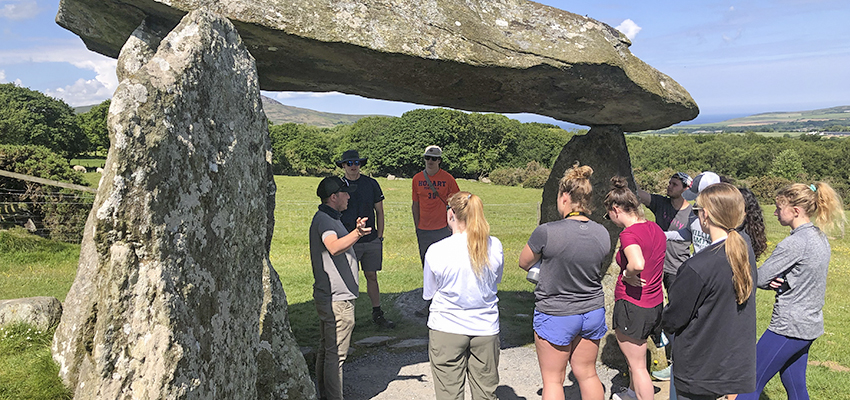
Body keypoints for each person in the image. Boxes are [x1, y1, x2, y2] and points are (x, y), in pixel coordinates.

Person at [737, 182, 846, 400]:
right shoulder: (819, 237)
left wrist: (772, 280)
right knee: (795, 386)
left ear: (795, 211)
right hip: (809, 326)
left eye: (779, 208)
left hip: (788, 327)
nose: (775, 213)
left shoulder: (794, 243)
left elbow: (760, 277)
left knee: (750, 384)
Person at [519, 163, 611, 400]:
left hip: (556, 313)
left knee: (553, 380)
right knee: (588, 374)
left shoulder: (546, 232)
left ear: (564, 197)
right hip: (591, 311)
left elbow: (524, 261)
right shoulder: (602, 232)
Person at [661, 183, 758, 400]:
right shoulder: (745, 251)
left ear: (705, 215)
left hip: (699, 366)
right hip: (730, 360)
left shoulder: (698, 266)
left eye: (697, 211)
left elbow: (674, 318)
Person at [423, 191, 504, 400]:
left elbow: (429, 292)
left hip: (446, 326)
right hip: (485, 327)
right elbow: (496, 280)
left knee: (449, 394)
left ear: (451, 215)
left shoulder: (436, 250)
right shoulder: (495, 246)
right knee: (486, 394)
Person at [604, 177, 667, 400]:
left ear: (615, 209)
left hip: (633, 306)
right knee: (637, 362)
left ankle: (640, 394)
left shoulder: (628, 234)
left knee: (638, 366)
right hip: (654, 303)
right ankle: (631, 393)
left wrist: (627, 274)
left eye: (608, 215)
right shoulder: (656, 229)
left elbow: (637, 263)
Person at [309, 176, 371, 400]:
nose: (348, 196)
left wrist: (354, 231)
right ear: (334, 197)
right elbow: (333, 247)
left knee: (327, 351)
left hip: (331, 297)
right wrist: (357, 234)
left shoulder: (326, 218)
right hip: (338, 300)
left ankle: (324, 395)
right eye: (345, 193)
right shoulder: (325, 221)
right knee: (336, 356)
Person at [638, 172, 694, 385]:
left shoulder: (692, 213)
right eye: (669, 183)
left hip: (677, 268)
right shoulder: (661, 203)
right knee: (652, 303)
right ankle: (658, 336)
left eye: (674, 184)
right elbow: (639, 195)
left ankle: (677, 357)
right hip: (655, 264)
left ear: (686, 189)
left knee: (678, 310)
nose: (669, 186)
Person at [336, 149, 394, 329]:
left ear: (360, 164)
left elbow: (380, 211)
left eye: (356, 163)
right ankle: (346, 320)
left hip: (370, 238)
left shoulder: (371, 183)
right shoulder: (338, 185)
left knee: (371, 275)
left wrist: (380, 235)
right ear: (343, 166)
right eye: (349, 163)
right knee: (347, 279)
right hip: (347, 239)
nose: (353, 167)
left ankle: (377, 313)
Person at [412, 145, 460, 316]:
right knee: (427, 266)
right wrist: (417, 225)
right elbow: (415, 204)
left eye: (434, 158)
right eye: (427, 158)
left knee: (446, 266)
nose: (430, 161)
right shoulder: (417, 179)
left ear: (440, 160)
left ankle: (448, 301)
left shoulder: (448, 179)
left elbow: (458, 204)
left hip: (443, 229)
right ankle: (429, 303)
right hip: (424, 229)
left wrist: (454, 227)